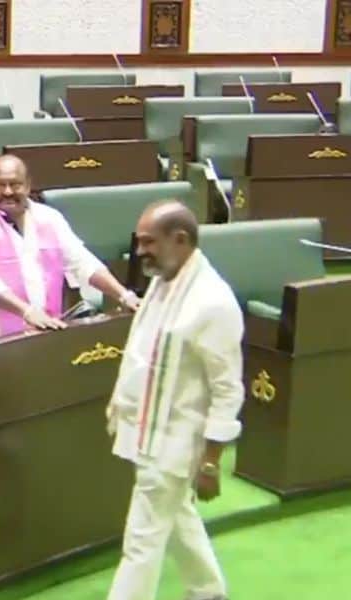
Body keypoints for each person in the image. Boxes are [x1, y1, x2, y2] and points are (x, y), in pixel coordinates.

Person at [106, 201, 243, 600]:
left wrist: (211, 462)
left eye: (149, 242)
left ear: (180, 240)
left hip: (174, 444)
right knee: (176, 514)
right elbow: (142, 355)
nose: (140, 251)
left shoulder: (213, 302)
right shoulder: (165, 279)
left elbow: (227, 389)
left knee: (141, 541)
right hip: (146, 432)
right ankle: (208, 591)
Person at [0, 154, 139, 368]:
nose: (8, 192)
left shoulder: (49, 218)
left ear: (28, 185)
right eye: (1, 185)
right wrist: (27, 312)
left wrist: (123, 295)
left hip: (45, 337)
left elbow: (82, 262)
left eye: (15, 184)